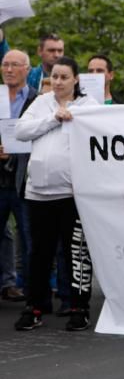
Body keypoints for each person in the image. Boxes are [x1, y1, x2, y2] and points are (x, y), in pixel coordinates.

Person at [14, 57, 100, 333]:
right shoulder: (41, 103)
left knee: (75, 253)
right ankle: (35, 307)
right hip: (38, 193)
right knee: (39, 254)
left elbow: (103, 136)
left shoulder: (88, 107)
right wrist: (53, 118)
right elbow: (21, 131)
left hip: (72, 194)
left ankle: (79, 307)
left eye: (65, 77)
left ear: (76, 79)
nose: (59, 82)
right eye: (55, 77)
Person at [0, 50, 35, 302]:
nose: (9, 69)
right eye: (5, 64)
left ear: (27, 69)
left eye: (14, 65)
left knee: (28, 236)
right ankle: (6, 283)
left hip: (24, 178)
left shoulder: (37, 100)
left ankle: (33, 289)